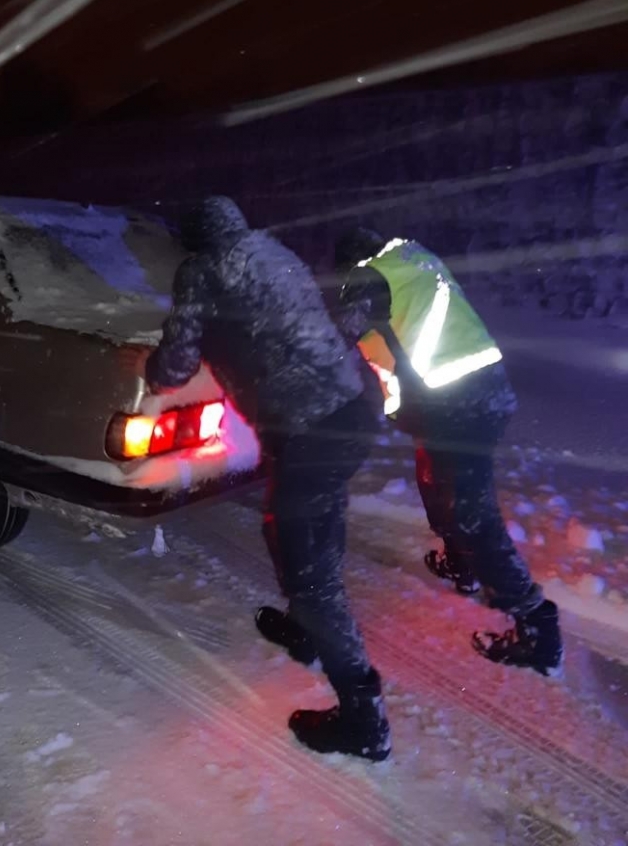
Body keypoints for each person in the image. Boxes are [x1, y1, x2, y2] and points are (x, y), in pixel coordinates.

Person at [146, 197, 390, 761]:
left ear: (193, 239)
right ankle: (308, 626)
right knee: (306, 531)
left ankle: (364, 722)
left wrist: (151, 367)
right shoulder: (274, 250)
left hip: (311, 431)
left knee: (308, 565)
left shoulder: (202, 272)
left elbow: (176, 363)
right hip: (348, 413)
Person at [333, 228, 563, 678]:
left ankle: (539, 626)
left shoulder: (370, 279)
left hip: (461, 405)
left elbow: (333, 339)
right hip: (469, 395)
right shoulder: (413, 260)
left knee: (473, 512)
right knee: (435, 481)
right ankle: (462, 563)